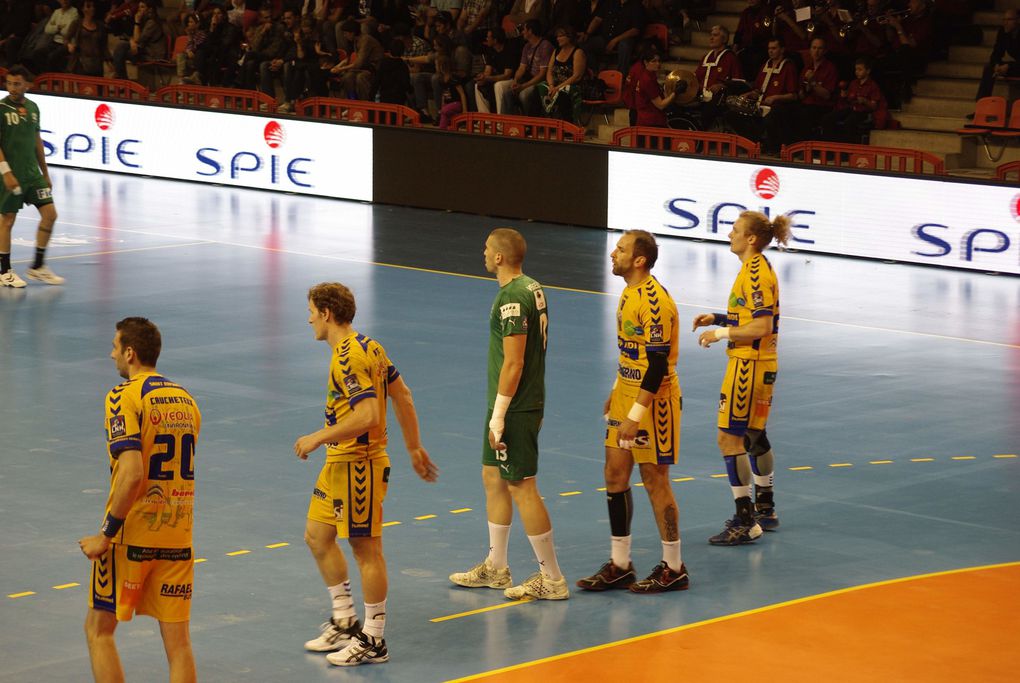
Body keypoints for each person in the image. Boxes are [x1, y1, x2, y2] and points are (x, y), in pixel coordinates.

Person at [296, 282, 438, 666]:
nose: (308, 317)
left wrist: (316, 437)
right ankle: (344, 618)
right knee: (317, 536)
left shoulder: (349, 357)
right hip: (339, 463)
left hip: (359, 464)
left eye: (311, 310)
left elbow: (369, 415)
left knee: (366, 550)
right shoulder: (369, 346)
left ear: (326, 313)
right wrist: (413, 446)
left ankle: (373, 639)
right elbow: (402, 394)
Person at [79, 317, 202, 683]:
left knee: (99, 631)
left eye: (115, 347)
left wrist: (106, 533)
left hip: (131, 537)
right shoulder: (187, 399)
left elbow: (132, 473)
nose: (111, 353)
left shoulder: (123, 396)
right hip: (178, 535)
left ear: (130, 353)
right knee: (178, 643)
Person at [449, 228, 569, 601]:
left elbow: (514, 362)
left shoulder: (512, 298)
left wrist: (500, 414)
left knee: (521, 485)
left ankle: (552, 579)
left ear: (499, 257)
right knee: (493, 478)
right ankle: (497, 568)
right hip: (512, 401)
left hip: (514, 403)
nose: (483, 253)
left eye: (487, 248)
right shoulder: (530, 287)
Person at [577, 230, 689, 593]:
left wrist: (635, 415)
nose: (613, 253)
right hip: (627, 393)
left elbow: (656, 365)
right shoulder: (629, 292)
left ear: (639, 260)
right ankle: (621, 564)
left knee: (655, 479)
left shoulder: (654, 302)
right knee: (614, 474)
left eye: (621, 249)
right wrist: (615, 390)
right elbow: (632, 352)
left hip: (654, 404)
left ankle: (674, 568)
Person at [693, 211, 789, 545]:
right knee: (753, 433)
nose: (729, 234)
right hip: (762, 361)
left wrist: (720, 333)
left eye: (735, 230)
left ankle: (745, 519)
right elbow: (756, 317)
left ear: (751, 239)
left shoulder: (755, 273)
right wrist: (719, 317)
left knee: (728, 438)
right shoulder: (755, 268)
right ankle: (766, 507)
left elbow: (761, 327)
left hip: (748, 364)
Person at [0, 66, 62, 289]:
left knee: (50, 214)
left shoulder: (34, 107)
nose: (12, 88)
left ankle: (37, 266)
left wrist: (45, 173)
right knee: (7, 219)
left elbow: (37, 141)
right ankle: (4, 271)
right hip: (10, 173)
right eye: (9, 83)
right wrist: (6, 172)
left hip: (32, 174)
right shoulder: (1, 108)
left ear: (28, 84)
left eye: (17, 84)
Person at [819, 55, 884, 143]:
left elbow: (874, 106)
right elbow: (848, 100)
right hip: (851, 109)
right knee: (827, 118)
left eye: (860, 69)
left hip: (863, 112)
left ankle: (848, 151)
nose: (857, 72)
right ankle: (830, 147)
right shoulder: (853, 83)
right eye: (856, 69)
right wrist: (844, 96)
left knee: (849, 122)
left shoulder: (873, 85)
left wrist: (865, 101)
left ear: (868, 71)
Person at [495, 19, 552, 115]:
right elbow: (522, 68)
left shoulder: (545, 46)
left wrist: (523, 86)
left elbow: (542, 74)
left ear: (530, 31)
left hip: (540, 82)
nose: (522, 32)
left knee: (524, 95)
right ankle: (508, 123)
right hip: (527, 79)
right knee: (507, 94)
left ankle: (528, 124)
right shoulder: (527, 47)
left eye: (524, 29)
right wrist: (516, 80)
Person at [535, 26, 586, 123]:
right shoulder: (556, 51)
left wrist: (558, 87)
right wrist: (551, 86)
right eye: (557, 36)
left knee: (562, 94)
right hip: (555, 84)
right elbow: (549, 71)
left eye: (560, 36)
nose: (557, 38)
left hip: (572, 85)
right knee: (537, 89)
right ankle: (533, 124)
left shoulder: (578, 52)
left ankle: (568, 125)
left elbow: (577, 76)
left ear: (569, 37)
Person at [975, 8, 1019, 102]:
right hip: (1016, 66)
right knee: (989, 67)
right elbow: (997, 51)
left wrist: (1009, 66)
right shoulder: (1003, 31)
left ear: (1018, 20)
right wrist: (996, 64)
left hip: (1017, 65)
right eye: (1004, 20)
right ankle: (981, 104)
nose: (1005, 23)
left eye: (1009, 20)